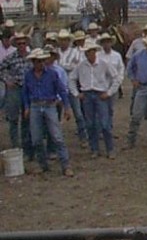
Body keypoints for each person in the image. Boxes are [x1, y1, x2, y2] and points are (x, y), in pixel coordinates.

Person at [22, 47, 74, 176]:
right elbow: (25, 93)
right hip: (35, 105)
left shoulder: (52, 74)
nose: (39, 64)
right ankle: (43, 164)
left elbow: (62, 90)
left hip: (49, 105)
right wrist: (27, 107)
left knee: (57, 136)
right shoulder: (28, 75)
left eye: (41, 61)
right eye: (37, 61)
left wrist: (67, 106)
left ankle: (65, 165)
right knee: (37, 139)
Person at [69, 42, 118, 158]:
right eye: (87, 52)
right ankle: (94, 149)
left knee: (105, 123)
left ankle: (109, 149)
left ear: (95, 52)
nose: (89, 54)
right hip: (87, 94)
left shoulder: (104, 64)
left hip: (100, 94)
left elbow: (116, 77)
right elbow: (71, 79)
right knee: (90, 124)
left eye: (91, 51)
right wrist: (76, 93)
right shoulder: (81, 65)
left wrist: (109, 92)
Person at [1, 33, 32, 158]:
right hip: (15, 89)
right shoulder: (11, 57)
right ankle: (15, 146)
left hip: (29, 89)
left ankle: (26, 147)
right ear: (16, 45)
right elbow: (1, 68)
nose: (22, 46)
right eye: (19, 44)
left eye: (23, 43)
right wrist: (7, 80)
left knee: (27, 118)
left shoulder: (31, 57)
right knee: (13, 119)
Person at [56, 30, 87, 146]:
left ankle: (83, 138)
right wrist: (66, 67)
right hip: (59, 87)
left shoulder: (75, 52)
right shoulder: (56, 52)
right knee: (57, 114)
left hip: (71, 85)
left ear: (69, 41)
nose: (63, 42)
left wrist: (61, 67)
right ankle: (57, 139)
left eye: (65, 40)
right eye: (61, 40)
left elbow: (76, 67)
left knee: (78, 113)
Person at [97, 32, 125, 121]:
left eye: (108, 42)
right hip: (101, 86)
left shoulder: (117, 56)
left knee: (110, 108)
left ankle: (109, 127)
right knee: (100, 109)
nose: (106, 44)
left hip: (113, 85)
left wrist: (119, 80)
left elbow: (121, 69)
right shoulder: (98, 56)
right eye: (104, 42)